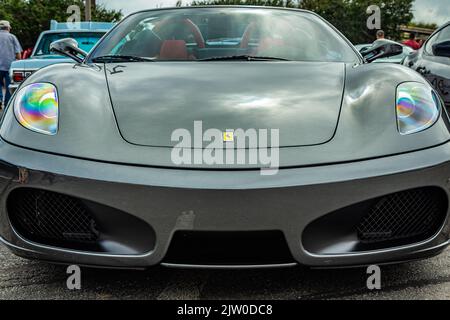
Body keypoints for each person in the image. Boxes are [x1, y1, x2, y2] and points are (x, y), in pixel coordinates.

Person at [0, 20, 22, 109]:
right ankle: (7, 104)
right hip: (10, 66)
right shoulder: (12, 37)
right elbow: (18, 53)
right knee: (9, 86)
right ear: (8, 28)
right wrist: (19, 62)